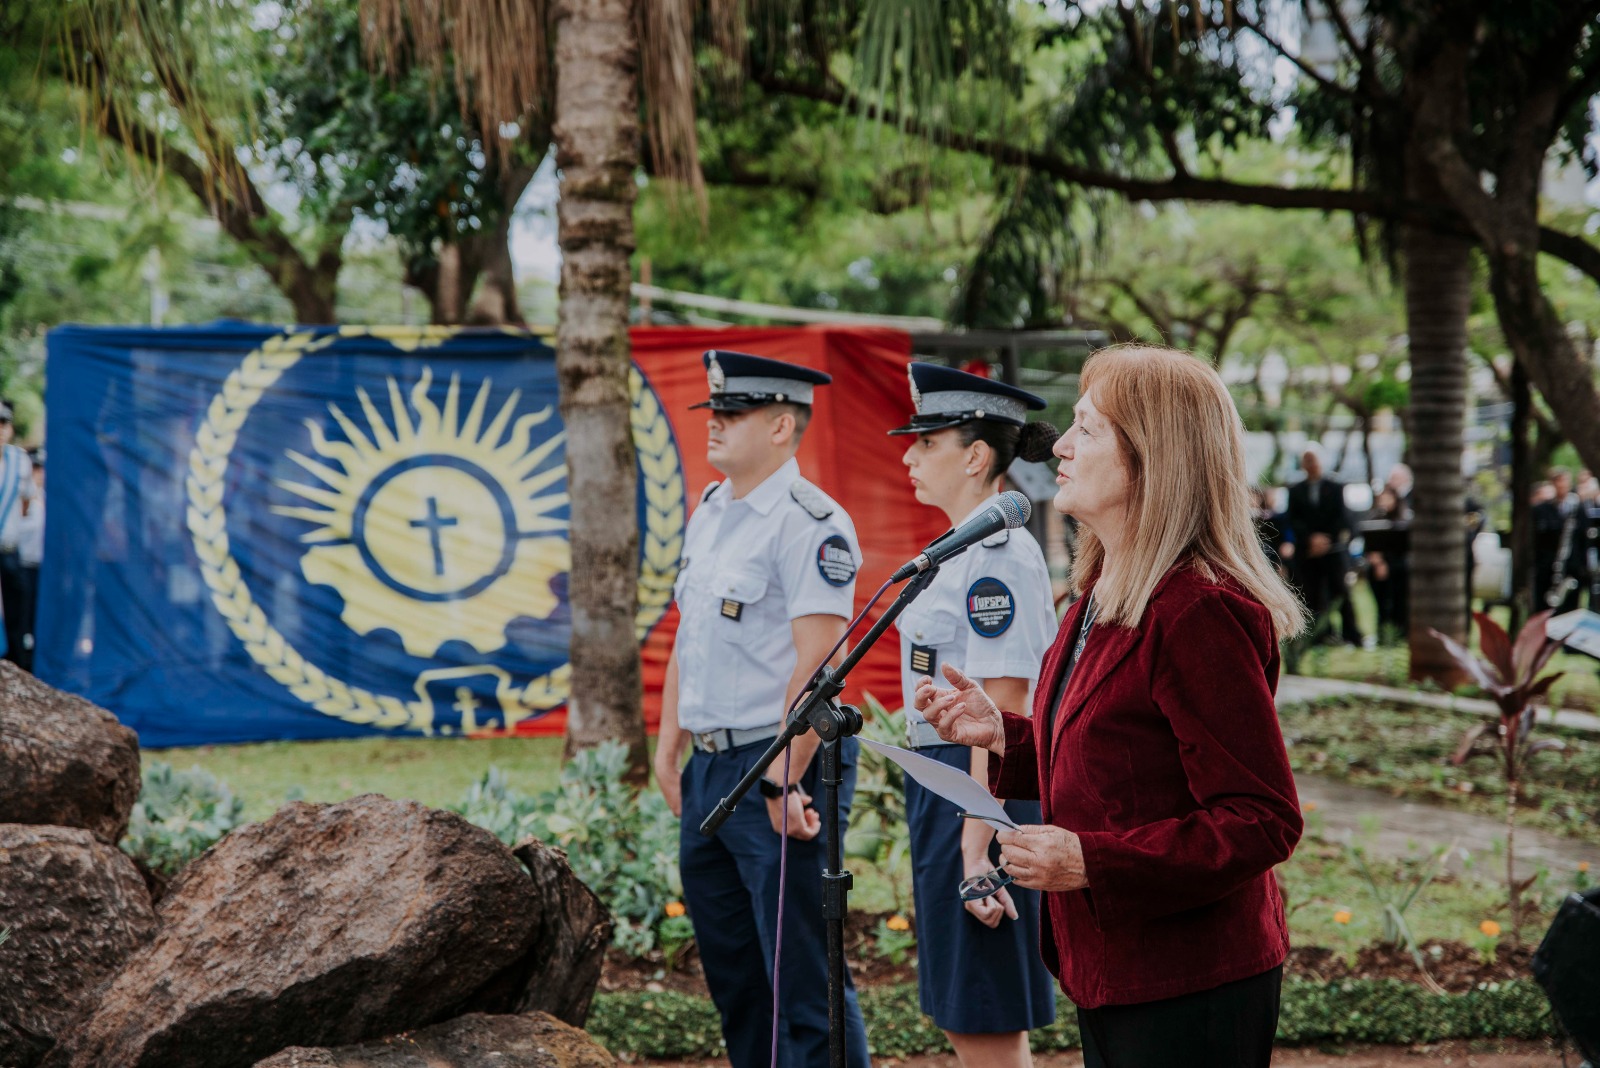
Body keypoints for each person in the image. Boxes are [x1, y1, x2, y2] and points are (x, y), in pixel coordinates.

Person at [915, 344, 1306, 1068]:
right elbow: (1122, 753)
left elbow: (1261, 818)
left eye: (1086, 429)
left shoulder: (1198, 610)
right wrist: (1004, 736)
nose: (1059, 445)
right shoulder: (1104, 589)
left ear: (1151, 458)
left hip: (1189, 977)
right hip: (1116, 965)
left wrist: (1090, 861)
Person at [653, 351, 871, 1068]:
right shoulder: (713, 510)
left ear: (781, 425)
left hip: (775, 764)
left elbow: (819, 665)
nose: (713, 423)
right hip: (711, 764)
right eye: (713, 410)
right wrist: (667, 747)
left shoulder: (812, 522)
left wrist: (785, 780)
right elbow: (692, 637)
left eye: (733, 413)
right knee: (737, 976)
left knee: (802, 976)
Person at [887, 363, 1060, 1067]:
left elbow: (1006, 708)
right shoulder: (954, 551)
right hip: (948, 780)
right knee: (966, 1010)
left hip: (977, 785)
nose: (908, 455)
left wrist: (976, 848)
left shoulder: (998, 558)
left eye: (925, 441)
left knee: (983, 1015)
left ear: (976, 455)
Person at [1284, 445, 1358, 645]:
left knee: (1340, 592)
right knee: (1310, 593)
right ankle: (1319, 635)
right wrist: (1310, 538)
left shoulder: (1335, 487)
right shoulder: (1296, 490)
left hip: (1332, 549)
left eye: (1313, 459)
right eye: (1307, 460)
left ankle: (1352, 635)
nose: (1311, 464)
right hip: (1307, 551)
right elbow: (1293, 519)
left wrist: (1326, 540)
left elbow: (1342, 517)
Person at [0, 402, 36, 668]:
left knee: (17, 612)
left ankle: (18, 665)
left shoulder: (19, 460)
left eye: (4, 424)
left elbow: (26, 502)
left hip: (9, 548)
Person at [1362, 486, 1411, 643]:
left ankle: (1400, 633)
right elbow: (1368, 547)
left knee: (1399, 602)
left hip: (1398, 568)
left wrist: (1387, 562)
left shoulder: (1403, 519)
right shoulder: (1373, 519)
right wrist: (1377, 562)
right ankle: (1383, 633)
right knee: (1381, 603)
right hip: (1377, 567)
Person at [13, 448, 43, 670]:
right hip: (23, 565)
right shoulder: (22, 497)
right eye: (37, 468)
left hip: (44, 569)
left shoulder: (52, 499)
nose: (40, 473)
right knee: (20, 618)